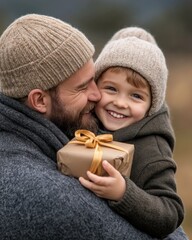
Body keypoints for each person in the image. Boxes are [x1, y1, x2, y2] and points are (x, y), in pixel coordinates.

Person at [0, 14, 188, 240]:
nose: (97, 95)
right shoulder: (45, 193)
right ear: (39, 100)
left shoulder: (52, 131)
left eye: (94, 80)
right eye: (82, 88)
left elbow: (168, 212)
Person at [78, 27, 186, 238]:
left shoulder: (151, 149)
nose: (120, 103)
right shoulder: (84, 121)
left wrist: (124, 193)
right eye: (111, 89)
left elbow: (170, 213)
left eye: (136, 96)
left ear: (151, 106)